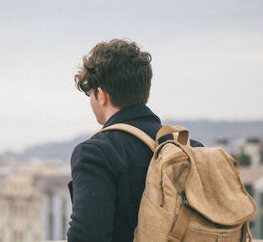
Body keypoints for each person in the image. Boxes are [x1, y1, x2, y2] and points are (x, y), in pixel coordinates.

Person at [67, 39, 202, 242]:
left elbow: (87, 236)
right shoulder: (191, 149)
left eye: (89, 93)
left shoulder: (96, 153)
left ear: (101, 96)